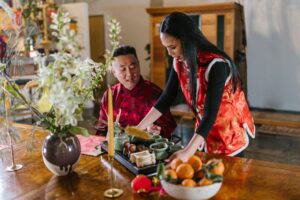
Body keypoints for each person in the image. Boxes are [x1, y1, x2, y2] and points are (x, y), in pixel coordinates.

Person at [137, 12, 255, 161]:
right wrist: (138, 129)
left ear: (187, 40)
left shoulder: (216, 65)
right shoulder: (179, 62)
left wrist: (187, 152)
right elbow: (167, 97)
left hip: (229, 134)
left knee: (230, 181)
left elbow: (211, 112)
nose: (170, 53)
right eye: (166, 48)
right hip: (204, 132)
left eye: (173, 47)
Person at [96, 45, 176, 139]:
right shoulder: (109, 95)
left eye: (133, 67)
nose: (129, 74)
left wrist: (157, 130)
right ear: (114, 72)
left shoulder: (155, 93)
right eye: (123, 69)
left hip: (147, 150)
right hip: (117, 150)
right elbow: (101, 129)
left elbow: (168, 127)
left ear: (139, 64)